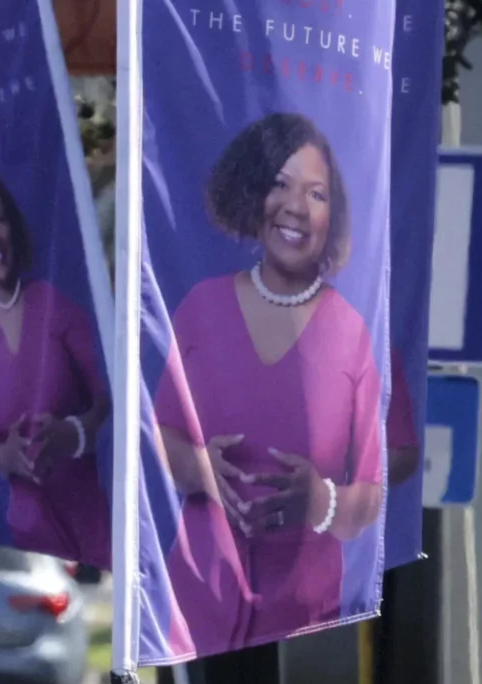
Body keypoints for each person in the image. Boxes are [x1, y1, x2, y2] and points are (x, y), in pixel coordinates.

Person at [154, 112, 383, 652]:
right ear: (252, 193)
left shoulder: (352, 332)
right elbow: (157, 441)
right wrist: (200, 468)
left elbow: (373, 494)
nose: (296, 207)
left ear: (335, 216)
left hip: (309, 620)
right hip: (199, 610)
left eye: (317, 193)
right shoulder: (199, 311)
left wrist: (321, 501)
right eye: (280, 184)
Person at [0, 168, 111, 563]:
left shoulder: (53, 305)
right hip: (28, 539)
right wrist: (6, 456)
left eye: (0, 219)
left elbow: (114, 401)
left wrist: (74, 433)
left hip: (88, 534)